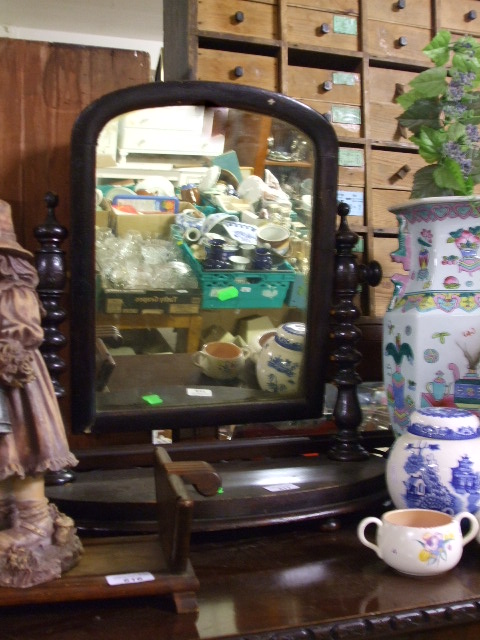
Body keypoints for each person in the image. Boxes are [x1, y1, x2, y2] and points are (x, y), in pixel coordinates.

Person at [0, 200, 82, 587]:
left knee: (23, 449)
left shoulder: (12, 285)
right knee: (4, 454)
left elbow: (23, 329)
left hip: (13, 387)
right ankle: (8, 511)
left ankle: (34, 522)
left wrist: (8, 350)